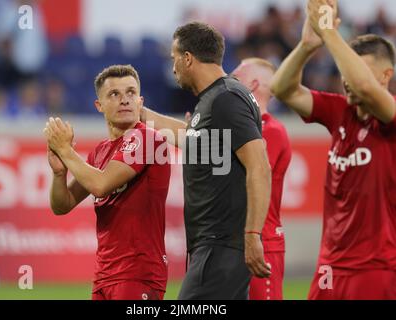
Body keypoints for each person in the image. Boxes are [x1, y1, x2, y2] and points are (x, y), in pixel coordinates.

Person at [270, 0, 396, 299]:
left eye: (357, 70)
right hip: (330, 267)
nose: (347, 80)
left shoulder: (390, 118)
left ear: (386, 77)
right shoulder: (340, 112)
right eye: (344, 68)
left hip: (375, 268)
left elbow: (365, 87)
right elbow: (282, 89)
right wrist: (305, 46)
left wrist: (330, 33)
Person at [142, 22, 272, 299]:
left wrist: (252, 234)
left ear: (187, 58)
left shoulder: (225, 99)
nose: (173, 66)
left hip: (221, 245)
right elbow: (190, 137)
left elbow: (259, 166)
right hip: (214, 245)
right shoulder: (216, 98)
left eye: (174, 58)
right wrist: (137, 113)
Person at [43, 65, 171, 300]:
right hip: (105, 274)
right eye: (114, 94)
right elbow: (62, 205)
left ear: (140, 102)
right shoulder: (100, 152)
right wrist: (59, 174)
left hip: (138, 273)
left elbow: (100, 185)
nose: (125, 100)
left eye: (131, 93)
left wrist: (65, 150)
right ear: (99, 106)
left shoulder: (147, 138)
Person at [232, 58, 292, 300]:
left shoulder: (270, 131)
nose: (228, 85)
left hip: (261, 241)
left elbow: (248, 175)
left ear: (253, 85)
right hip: (238, 241)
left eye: (235, 80)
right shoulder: (243, 129)